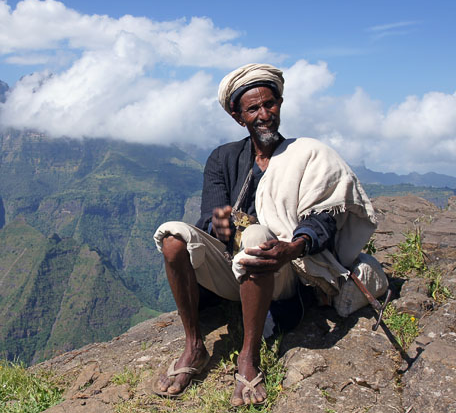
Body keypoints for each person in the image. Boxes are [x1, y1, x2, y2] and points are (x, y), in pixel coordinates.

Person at [152, 63, 377, 406]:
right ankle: (194, 346)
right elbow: (209, 218)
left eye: (270, 104)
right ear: (237, 116)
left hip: (285, 269)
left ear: (280, 104)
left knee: (257, 235)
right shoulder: (223, 159)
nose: (264, 114)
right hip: (232, 269)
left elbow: (322, 218)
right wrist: (219, 224)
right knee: (172, 238)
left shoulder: (306, 156)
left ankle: (248, 358)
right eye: (253, 108)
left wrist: (292, 248)